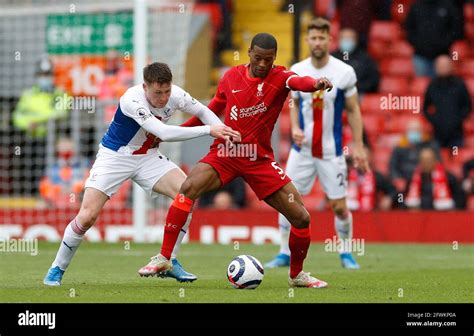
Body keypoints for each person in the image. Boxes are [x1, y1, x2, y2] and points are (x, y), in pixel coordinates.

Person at [137, 33, 334, 288]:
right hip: (226, 153)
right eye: (259, 58)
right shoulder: (230, 77)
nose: (263, 64)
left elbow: (300, 82)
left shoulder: (281, 76)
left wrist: (316, 83)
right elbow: (212, 110)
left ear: (275, 58)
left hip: (258, 159)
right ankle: (165, 257)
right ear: (249, 52)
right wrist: (174, 134)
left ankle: (297, 275)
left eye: (269, 59)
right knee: (187, 189)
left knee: (301, 217)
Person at [43, 62, 240, 286]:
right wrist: (209, 130)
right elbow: (163, 132)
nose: (164, 98)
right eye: (158, 92)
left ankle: (169, 261)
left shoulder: (175, 95)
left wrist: (222, 130)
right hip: (115, 156)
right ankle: (57, 268)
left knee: (188, 192)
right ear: (145, 86)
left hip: (147, 157)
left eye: (167, 91)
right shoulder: (131, 98)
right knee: (87, 216)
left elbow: (204, 111)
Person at [265, 17, 369, 270]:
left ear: (329, 40)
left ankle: (346, 252)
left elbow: (354, 110)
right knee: (286, 200)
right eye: (313, 37)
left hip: (331, 152)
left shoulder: (344, 72)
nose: (318, 42)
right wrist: (296, 127)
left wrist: (358, 145)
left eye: (322, 37)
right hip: (302, 152)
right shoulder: (298, 69)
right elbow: (294, 102)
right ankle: (283, 252)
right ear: (307, 40)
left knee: (339, 206)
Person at [12, 54, 69, 195]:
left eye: (47, 74)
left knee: (48, 172)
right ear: (37, 75)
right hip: (30, 140)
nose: (45, 77)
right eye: (42, 74)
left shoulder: (60, 94)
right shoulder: (28, 94)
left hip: (51, 142)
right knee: (29, 172)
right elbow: (17, 117)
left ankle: (48, 198)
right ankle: (30, 198)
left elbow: (61, 113)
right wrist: (27, 123)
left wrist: (35, 119)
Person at [423, 55, 472, 148]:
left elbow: (468, 105)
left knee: (457, 155)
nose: (443, 68)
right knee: (438, 159)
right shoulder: (432, 85)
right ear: (436, 68)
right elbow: (425, 107)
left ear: (451, 66)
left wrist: (458, 119)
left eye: (445, 65)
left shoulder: (459, 84)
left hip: (456, 133)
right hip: (438, 133)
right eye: (440, 66)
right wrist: (435, 120)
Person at [405, 0, 463, 77]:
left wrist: (444, 44)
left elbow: (456, 29)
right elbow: (408, 29)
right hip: (420, 56)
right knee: (420, 86)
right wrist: (418, 44)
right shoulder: (416, 6)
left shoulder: (448, 6)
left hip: (442, 56)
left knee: (443, 84)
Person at [389, 118, 440, 193]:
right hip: (405, 181)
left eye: (417, 130)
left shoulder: (430, 145)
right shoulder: (399, 147)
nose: (414, 132)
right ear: (407, 131)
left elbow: (438, 163)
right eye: (411, 130)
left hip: (425, 181)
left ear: (422, 131)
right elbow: (393, 166)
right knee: (397, 194)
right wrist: (397, 178)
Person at [39, 137, 90, 209]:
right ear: (57, 148)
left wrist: (74, 189)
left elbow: (87, 181)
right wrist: (59, 189)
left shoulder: (82, 164)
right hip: (57, 199)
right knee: (41, 205)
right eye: (62, 146)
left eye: (67, 145)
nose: (65, 148)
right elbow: (45, 185)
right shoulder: (52, 167)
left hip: (77, 198)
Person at [346, 145, 397, 211]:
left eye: (364, 158)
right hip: (348, 213)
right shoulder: (346, 174)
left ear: (370, 159)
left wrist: (389, 198)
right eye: (358, 158)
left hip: (369, 214)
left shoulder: (376, 176)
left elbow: (395, 191)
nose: (361, 162)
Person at [332, 27, 379, 95]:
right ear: (338, 40)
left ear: (356, 40)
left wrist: (355, 88)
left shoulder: (366, 59)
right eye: (344, 38)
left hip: (358, 94)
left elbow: (373, 80)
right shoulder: (331, 58)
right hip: (333, 93)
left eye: (349, 38)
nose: (346, 41)